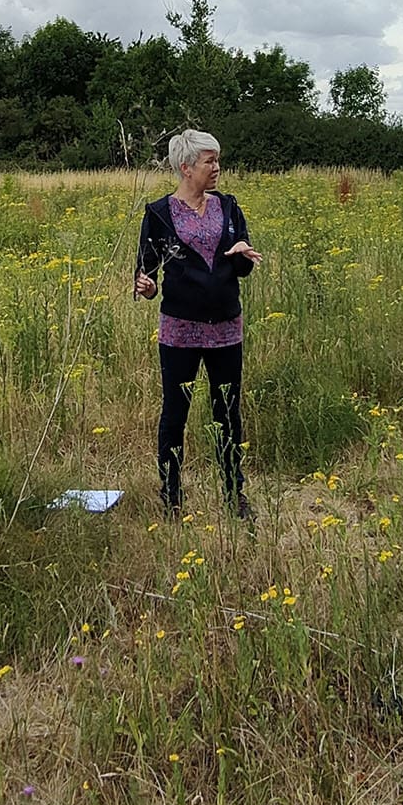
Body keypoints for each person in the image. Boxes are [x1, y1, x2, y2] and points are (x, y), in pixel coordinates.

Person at [134, 129, 262, 519]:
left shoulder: (228, 207)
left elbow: (241, 266)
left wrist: (241, 255)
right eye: (210, 161)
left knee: (227, 411)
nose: (217, 168)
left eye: (217, 160)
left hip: (225, 327)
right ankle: (171, 496)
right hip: (180, 331)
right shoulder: (158, 214)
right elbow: (146, 273)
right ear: (186, 167)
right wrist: (148, 285)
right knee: (176, 412)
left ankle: (233, 493)